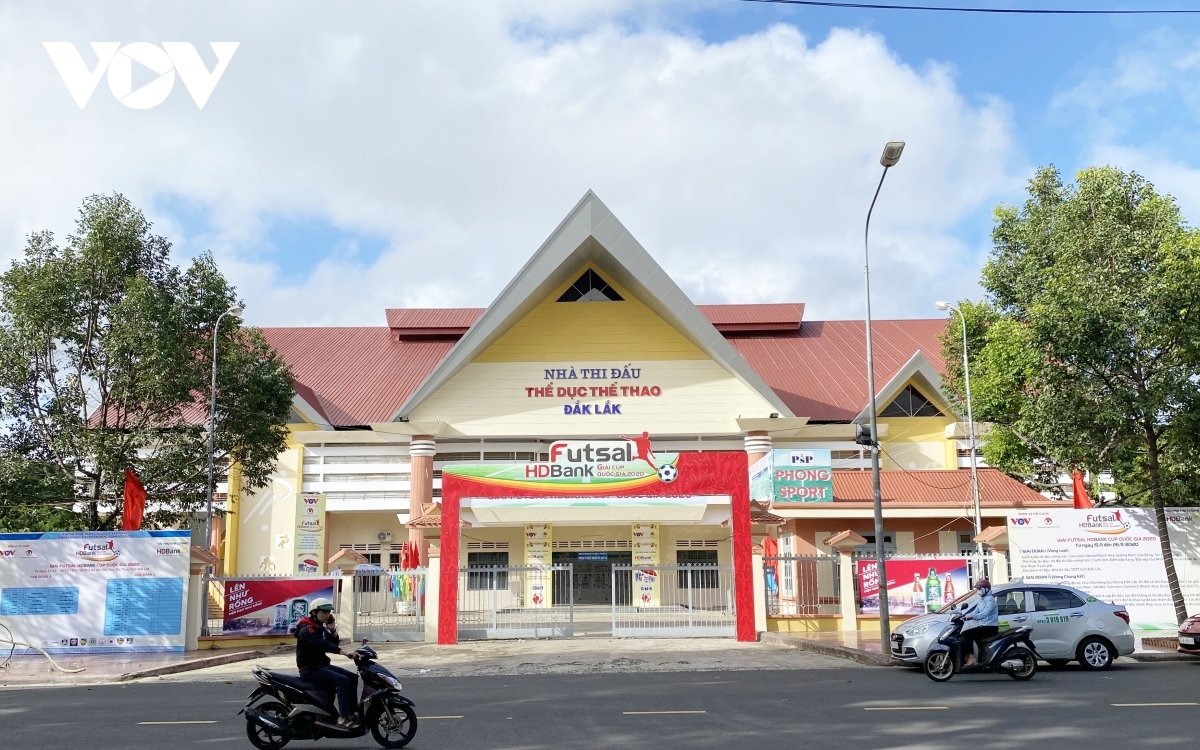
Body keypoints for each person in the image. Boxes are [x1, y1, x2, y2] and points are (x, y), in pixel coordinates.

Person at [294, 598, 358, 728]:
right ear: (314, 612)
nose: (327, 615)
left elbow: (332, 642)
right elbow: (323, 644)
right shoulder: (306, 629)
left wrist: (333, 630)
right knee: (343, 681)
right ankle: (343, 718)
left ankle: (351, 713)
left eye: (329, 612)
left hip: (321, 666)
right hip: (309, 669)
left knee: (352, 677)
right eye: (324, 612)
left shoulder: (319, 628)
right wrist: (344, 653)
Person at [961, 579, 999, 667]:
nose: (978, 591)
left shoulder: (990, 601)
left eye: (979, 589)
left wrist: (971, 616)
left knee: (966, 635)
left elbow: (984, 614)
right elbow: (975, 612)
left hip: (990, 628)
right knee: (963, 634)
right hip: (983, 626)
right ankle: (967, 657)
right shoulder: (982, 600)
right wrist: (964, 616)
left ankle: (971, 658)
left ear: (986, 589)